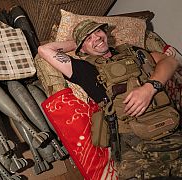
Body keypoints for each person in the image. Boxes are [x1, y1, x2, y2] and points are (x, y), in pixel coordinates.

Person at [39, 19, 182, 179]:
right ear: (82, 49)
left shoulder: (133, 52)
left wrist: (149, 88)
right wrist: (78, 44)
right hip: (132, 140)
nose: (97, 38)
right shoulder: (84, 69)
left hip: (169, 126)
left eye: (98, 32)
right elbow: (44, 50)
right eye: (88, 38)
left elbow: (170, 61)